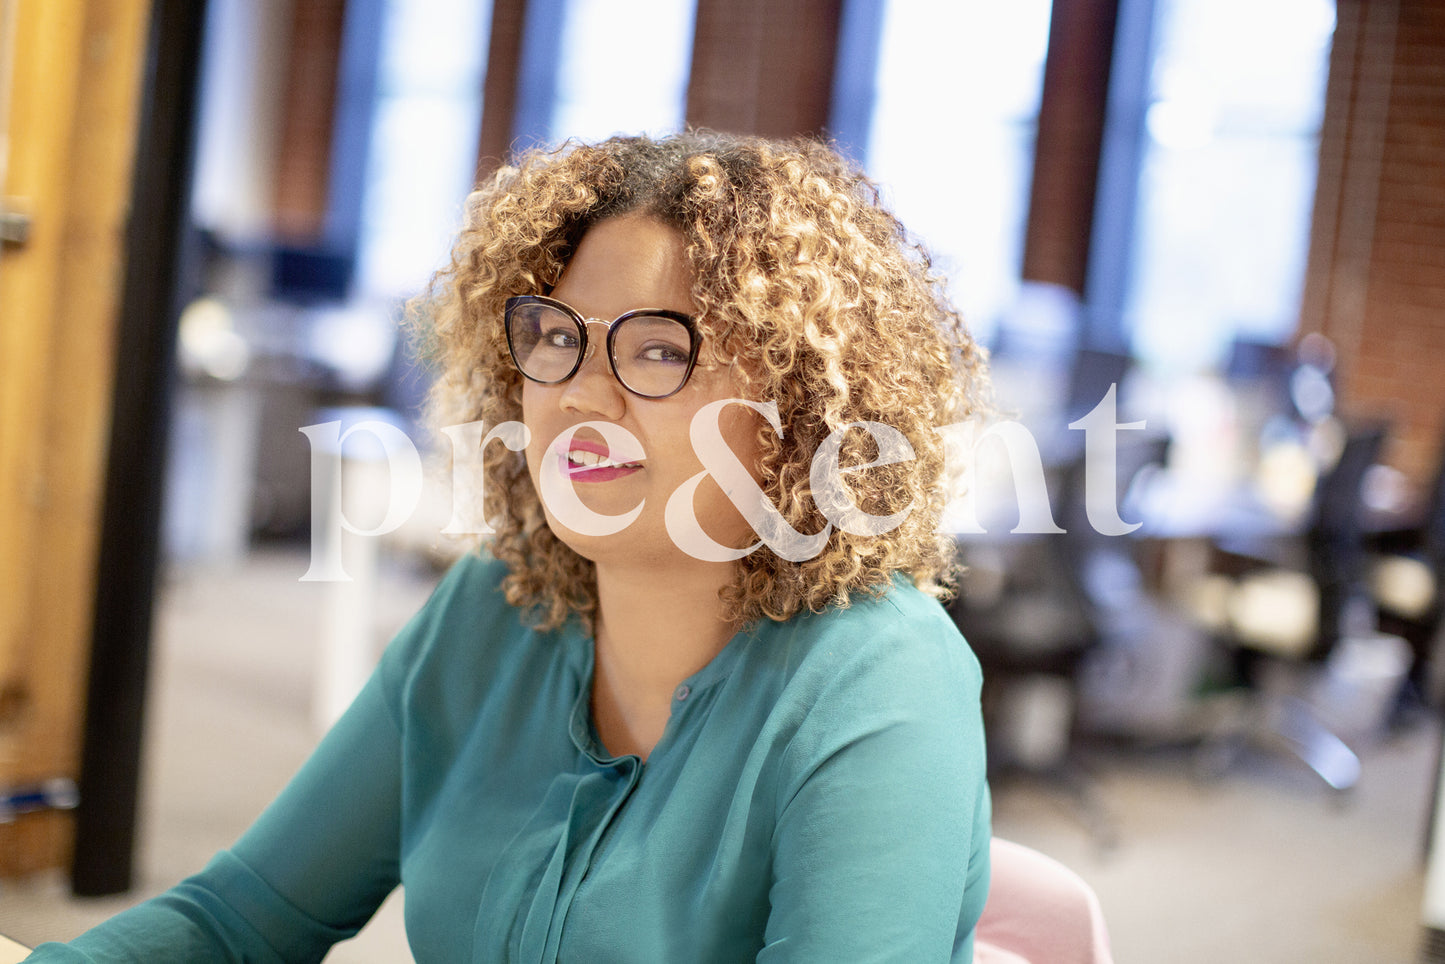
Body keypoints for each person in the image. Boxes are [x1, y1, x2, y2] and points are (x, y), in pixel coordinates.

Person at [28, 131, 993, 962]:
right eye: (557, 337)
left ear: (798, 408)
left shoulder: (879, 678)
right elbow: (238, 919)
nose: (578, 393)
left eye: (660, 349)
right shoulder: (493, 606)